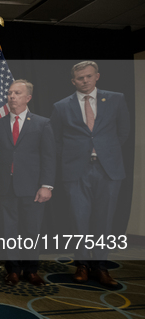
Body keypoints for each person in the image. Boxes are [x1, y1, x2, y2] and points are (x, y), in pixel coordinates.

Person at [51, 61, 130, 287]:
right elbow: (55, 139)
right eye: (79, 78)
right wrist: (72, 156)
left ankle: (101, 267)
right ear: (73, 81)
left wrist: (105, 152)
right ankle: (82, 265)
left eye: (88, 76)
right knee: (79, 220)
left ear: (97, 76)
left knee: (104, 221)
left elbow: (123, 131)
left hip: (108, 170)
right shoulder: (61, 106)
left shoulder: (116, 99)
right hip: (76, 171)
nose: (84, 81)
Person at [0, 80, 56, 287]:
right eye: (10, 93)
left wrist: (47, 185)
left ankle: (31, 270)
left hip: (33, 188)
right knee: (8, 230)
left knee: (31, 230)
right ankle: (13, 270)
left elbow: (49, 157)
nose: (12, 96)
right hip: (5, 188)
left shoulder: (42, 123)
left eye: (17, 93)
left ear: (28, 98)